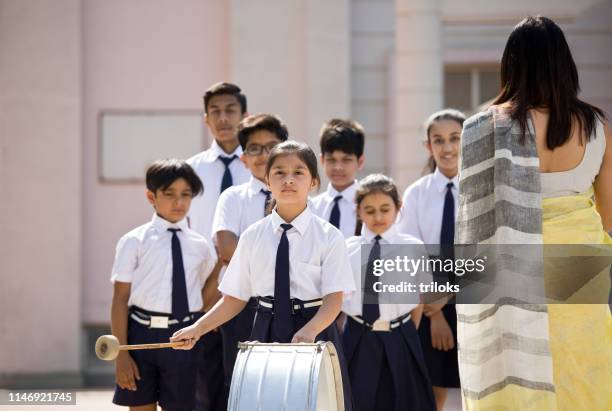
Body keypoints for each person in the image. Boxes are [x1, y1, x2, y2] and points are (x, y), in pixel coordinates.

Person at [456, 16, 611, 410]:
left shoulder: (484, 126)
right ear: (565, 64)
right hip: (581, 263)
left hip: (510, 266)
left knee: (514, 371)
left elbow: (474, 215)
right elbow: (609, 217)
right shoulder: (596, 127)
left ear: (511, 64)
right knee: (580, 365)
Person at [171, 141, 356, 410]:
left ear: (314, 182)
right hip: (264, 329)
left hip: (315, 331)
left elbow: (333, 300)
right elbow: (234, 298)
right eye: (279, 172)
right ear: (267, 181)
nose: (288, 179)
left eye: (298, 172)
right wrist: (197, 329)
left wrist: (310, 331)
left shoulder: (329, 237)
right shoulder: (252, 236)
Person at [110, 159, 217, 411]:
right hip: (140, 335)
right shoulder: (134, 241)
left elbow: (203, 298)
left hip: (183, 338)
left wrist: (221, 266)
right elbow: (119, 300)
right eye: (169, 194)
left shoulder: (201, 246)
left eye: (185, 195)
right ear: (151, 196)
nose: (178, 202)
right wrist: (121, 353)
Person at [210, 113, 289, 399]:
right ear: (243, 157)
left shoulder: (300, 198)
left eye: (271, 146)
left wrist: (252, 257)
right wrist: (277, 260)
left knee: (288, 388)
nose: (263, 154)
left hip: (291, 306)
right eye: (254, 148)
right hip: (241, 306)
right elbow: (227, 250)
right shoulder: (232, 198)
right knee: (244, 389)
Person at [342, 174, 436, 411]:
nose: (378, 217)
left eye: (385, 209)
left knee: (403, 400)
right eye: (370, 210)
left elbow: (418, 299)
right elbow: (339, 299)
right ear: (358, 211)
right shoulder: (346, 249)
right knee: (356, 400)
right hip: (357, 335)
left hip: (401, 335)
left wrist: (405, 332)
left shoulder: (412, 247)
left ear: (398, 207)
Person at [186, 82, 251, 411]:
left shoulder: (262, 169)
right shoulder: (191, 171)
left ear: (244, 116)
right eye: (216, 111)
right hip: (204, 291)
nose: (223, 118)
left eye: (231, 110)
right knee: (205, 384)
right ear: (206, 119)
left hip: (251, 290)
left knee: (245, 383)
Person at [398, 109, 465, 410]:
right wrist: (435, 314)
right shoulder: (416, 195)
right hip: (428, 304)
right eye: (438, 140)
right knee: (433, 390)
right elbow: (410, 256)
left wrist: (450, 294)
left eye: (455, 139)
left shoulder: (482, 190)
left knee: (474, 387)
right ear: (428, 146)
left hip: (474, 298)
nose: (447, 147)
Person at [311, 119, 365, 238]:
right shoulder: (312, 208)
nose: (338, 167)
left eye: (346, 160)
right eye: (331, 160)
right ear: (322, 160)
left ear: (360, 161)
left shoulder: (369, 207)